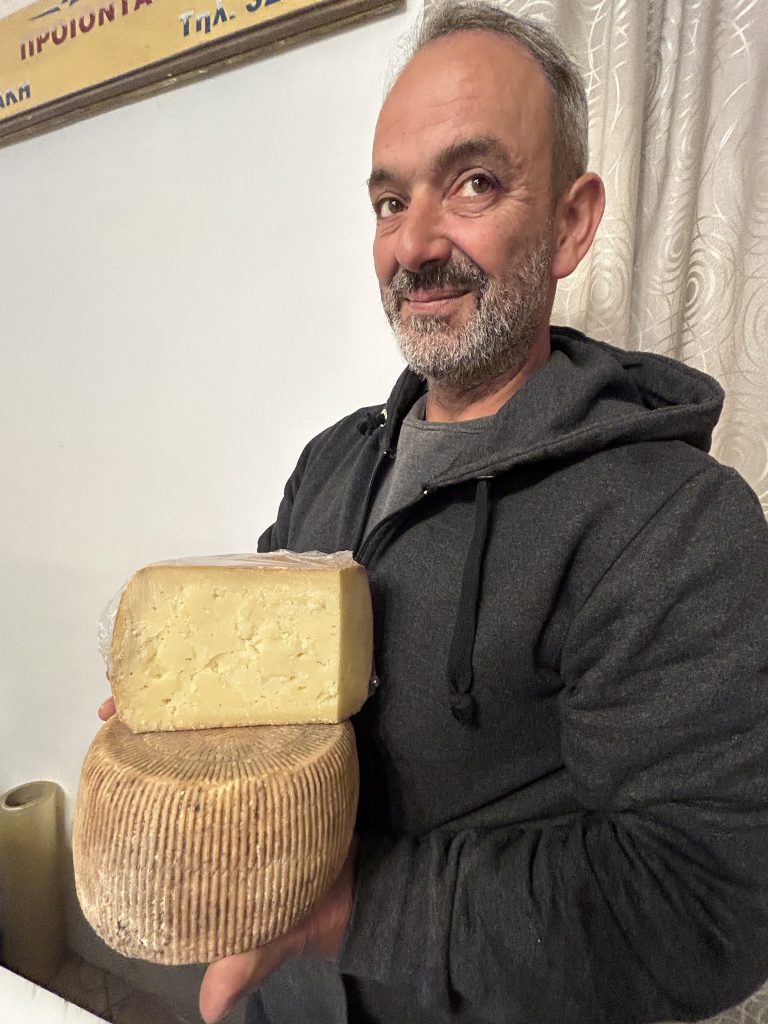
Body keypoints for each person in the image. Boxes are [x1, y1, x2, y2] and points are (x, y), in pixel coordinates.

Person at [101, 3, 768, 1022]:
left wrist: (347, 909)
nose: (413, 245)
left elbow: (710, 903)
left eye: (473, 184)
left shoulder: (673, 524)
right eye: (386, 200)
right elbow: (269, 707)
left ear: (572, 222)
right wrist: (193, 732)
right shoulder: (331, 464)